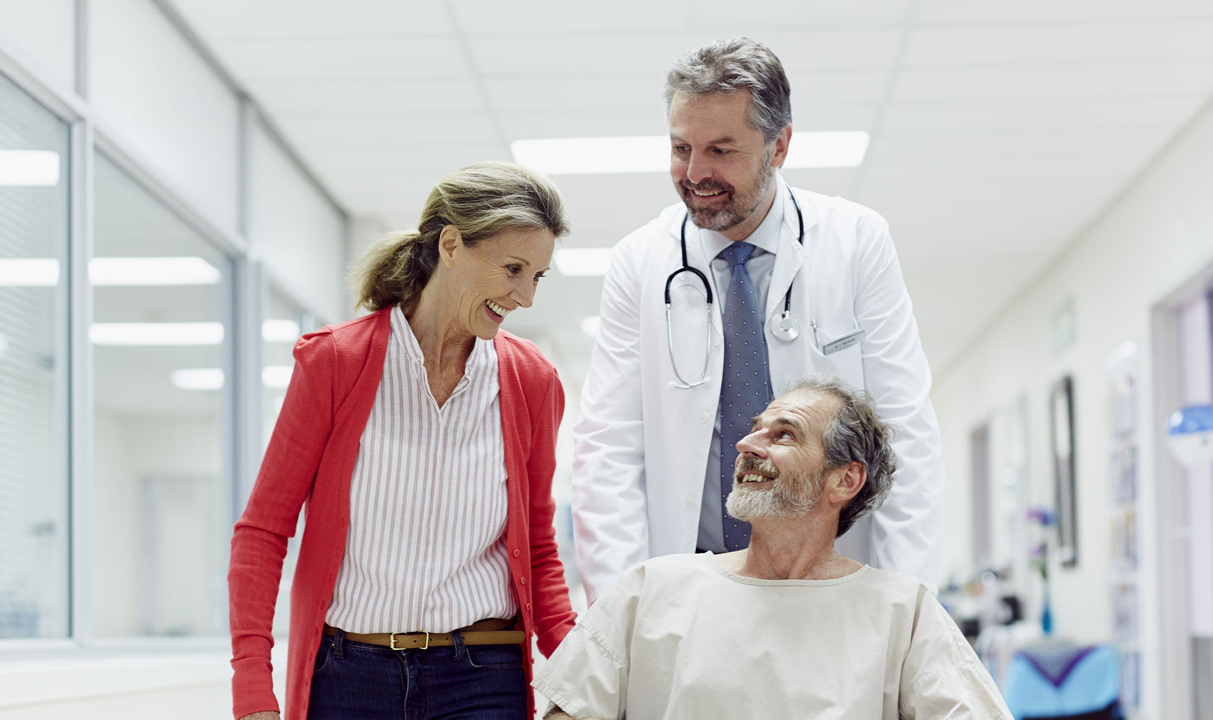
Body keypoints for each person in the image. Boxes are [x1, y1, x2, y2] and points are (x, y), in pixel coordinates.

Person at [570, 36, 944, 601]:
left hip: (831, 578)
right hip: (690, 583)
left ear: (779, 146)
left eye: (722, 150)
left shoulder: (855, 240)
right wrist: (620, 610)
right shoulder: (639, 261)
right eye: (680, 148)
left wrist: (905, 601)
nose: (695, 172)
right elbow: (609, 448)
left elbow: (903, 430)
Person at [228, 162, 578, 720]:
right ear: (452, 244)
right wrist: (252, 692)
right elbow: (263, 531)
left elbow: (538, 548)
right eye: (513, 269)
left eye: (537, 276)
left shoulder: (532, 382)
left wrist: (581, 678)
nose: (525, 297)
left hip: (483, 678)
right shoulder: (335, 363)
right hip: (348, 677)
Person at [538, 378, 1011, 720]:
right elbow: (571, 710)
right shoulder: (651, 590)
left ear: (844, 480)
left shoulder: (902, 612)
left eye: (783, 434)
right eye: (755, 429)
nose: (746, 444)